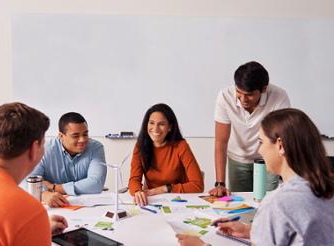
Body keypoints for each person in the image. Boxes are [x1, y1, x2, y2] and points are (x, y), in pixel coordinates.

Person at [177, 108, 334, 245]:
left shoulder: (278, 203)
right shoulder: (326, 186)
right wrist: (252, 230)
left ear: (280, 145)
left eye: (261, 142)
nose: (260, 151)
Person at [0, 102, 68, 245]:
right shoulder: (27, 211)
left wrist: (32, 231)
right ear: (34, 149)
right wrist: (33, 225)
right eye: (43, 144)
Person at [209, 61, 290, 196]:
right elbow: (220, 142)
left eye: (249, 95)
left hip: (268, 158)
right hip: (238, 158)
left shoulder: (279, 96)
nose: (243, 99)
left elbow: (283, 139)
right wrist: (220, 183)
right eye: (239, 93)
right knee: (240, 205)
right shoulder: (225, 96)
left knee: (268, 201)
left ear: (264, 89)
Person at [128, 103, 204, 206]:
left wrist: (165, 188)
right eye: (151, 123)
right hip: (152, 202)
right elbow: (134, 180)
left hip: (179, 201)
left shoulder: (181, 146)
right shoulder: (140, 146)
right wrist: (137, 191)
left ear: (170, 127)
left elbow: (198, 185)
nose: (155, 128)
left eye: (161, 124)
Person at [29, 112, 107, 207]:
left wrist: (54, 187)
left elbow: (96, 184)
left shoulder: (96, 148)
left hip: (86, 207)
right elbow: (28, 182)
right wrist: (43, 194)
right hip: (54, 208)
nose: (82, 139)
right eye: (76, 136)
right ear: (61, 136)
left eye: (85, 134)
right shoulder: (45, 150)